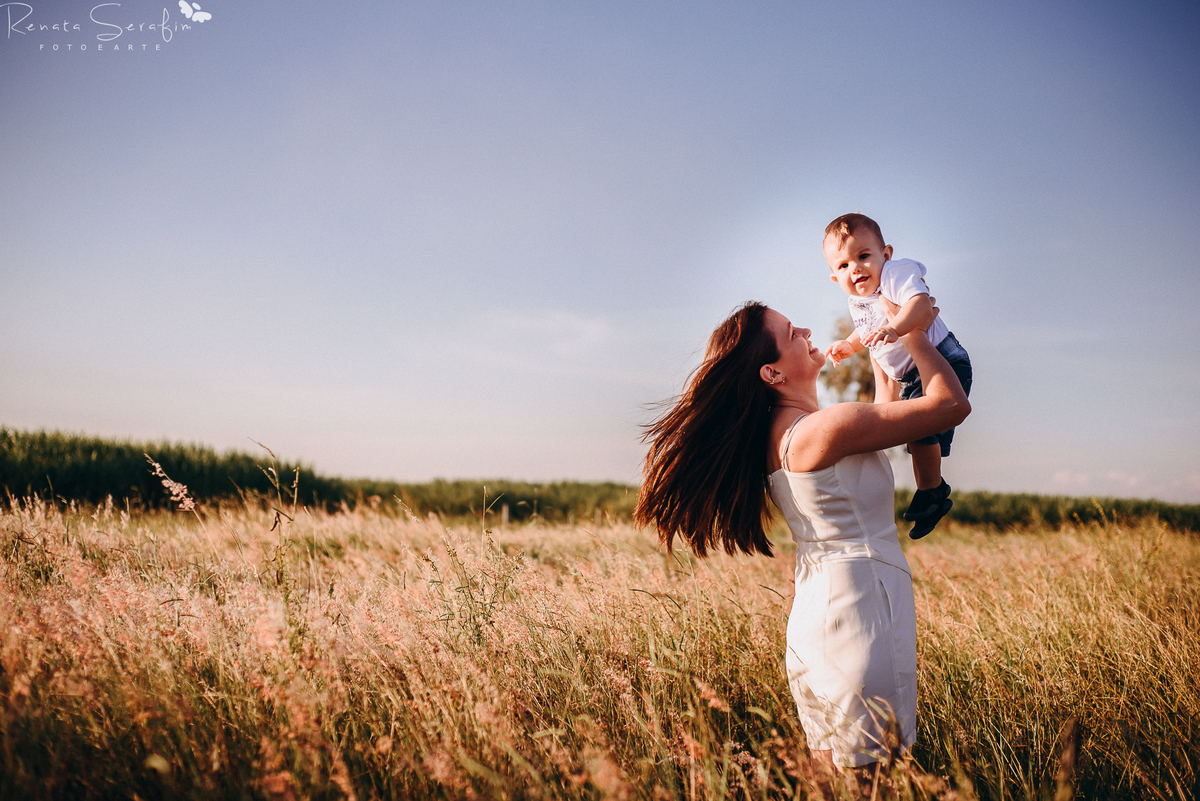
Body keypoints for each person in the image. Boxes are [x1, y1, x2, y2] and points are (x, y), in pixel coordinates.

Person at [635, 300, 969, 783]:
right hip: (862, 612)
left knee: (832, 782)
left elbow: (882, 413)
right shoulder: (824, 429)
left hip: (819, 616)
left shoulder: (789, 435)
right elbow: (951, 406)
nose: (808, 331)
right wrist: (915, 333)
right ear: (771, 374)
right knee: (874, 785)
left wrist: (883, 346)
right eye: (792, 333)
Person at [822, 213, 973, 539]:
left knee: (922, 430)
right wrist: (849, 345)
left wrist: (896, 328)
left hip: (944, 361)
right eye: (843, 265)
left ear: (886, 254)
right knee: (917, 438)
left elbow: (920, 305)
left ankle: (931, 491)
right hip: (912, 375)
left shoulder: (894, 274)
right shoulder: (858, 301)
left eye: (863, 256)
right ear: (835, 277)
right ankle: (931, 491)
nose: (855, 268)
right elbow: (866, 330)